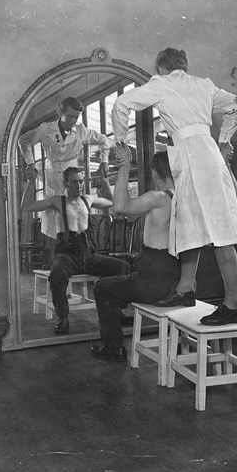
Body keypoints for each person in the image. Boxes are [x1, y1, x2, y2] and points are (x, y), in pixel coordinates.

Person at [111, 48, 237, 326]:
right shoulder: (204, 84)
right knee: (188, 222)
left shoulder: (161, 83)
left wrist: (121, 142)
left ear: (161, 67)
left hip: (191, 156)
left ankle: (233, 304)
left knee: (220, 233)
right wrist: (222, 141)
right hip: (204, 153)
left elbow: (121, 105)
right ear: (184, 65)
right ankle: (185, 288)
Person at [91, 144, 180, 362]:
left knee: (102, 288)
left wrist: (124, 166)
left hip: (154, 280)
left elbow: (120, 207)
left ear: (154, 174)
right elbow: (129, 215)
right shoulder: (184, 197)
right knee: (122, 272)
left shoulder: (159, 197)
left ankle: (113, 346)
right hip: (177, 279)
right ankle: (119, 323)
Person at [21, 167, 131, 334]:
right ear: (66, 183)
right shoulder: (57, 201)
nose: (79, 185)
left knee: (122, 267)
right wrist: (30, 182)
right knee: (56, 275)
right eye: (74, 182)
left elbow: (111, 202)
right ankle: (63, 317)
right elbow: (27, 206)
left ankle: (118, 311)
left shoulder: (88, 199)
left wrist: (106, 181)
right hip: (66, 255)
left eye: (80, 181)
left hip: (89, 255)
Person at [18, 96, 114, 239]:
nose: (73, 121)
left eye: (76, 117)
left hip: (74, 178)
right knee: (54, 225)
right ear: (60, 113)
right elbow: (23, 140)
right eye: (70, 117)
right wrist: (31, 163)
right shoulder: (46, 130)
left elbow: (105, 140)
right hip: (54, 180)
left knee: (76, 218)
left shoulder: (80, 131)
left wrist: (104, 160)